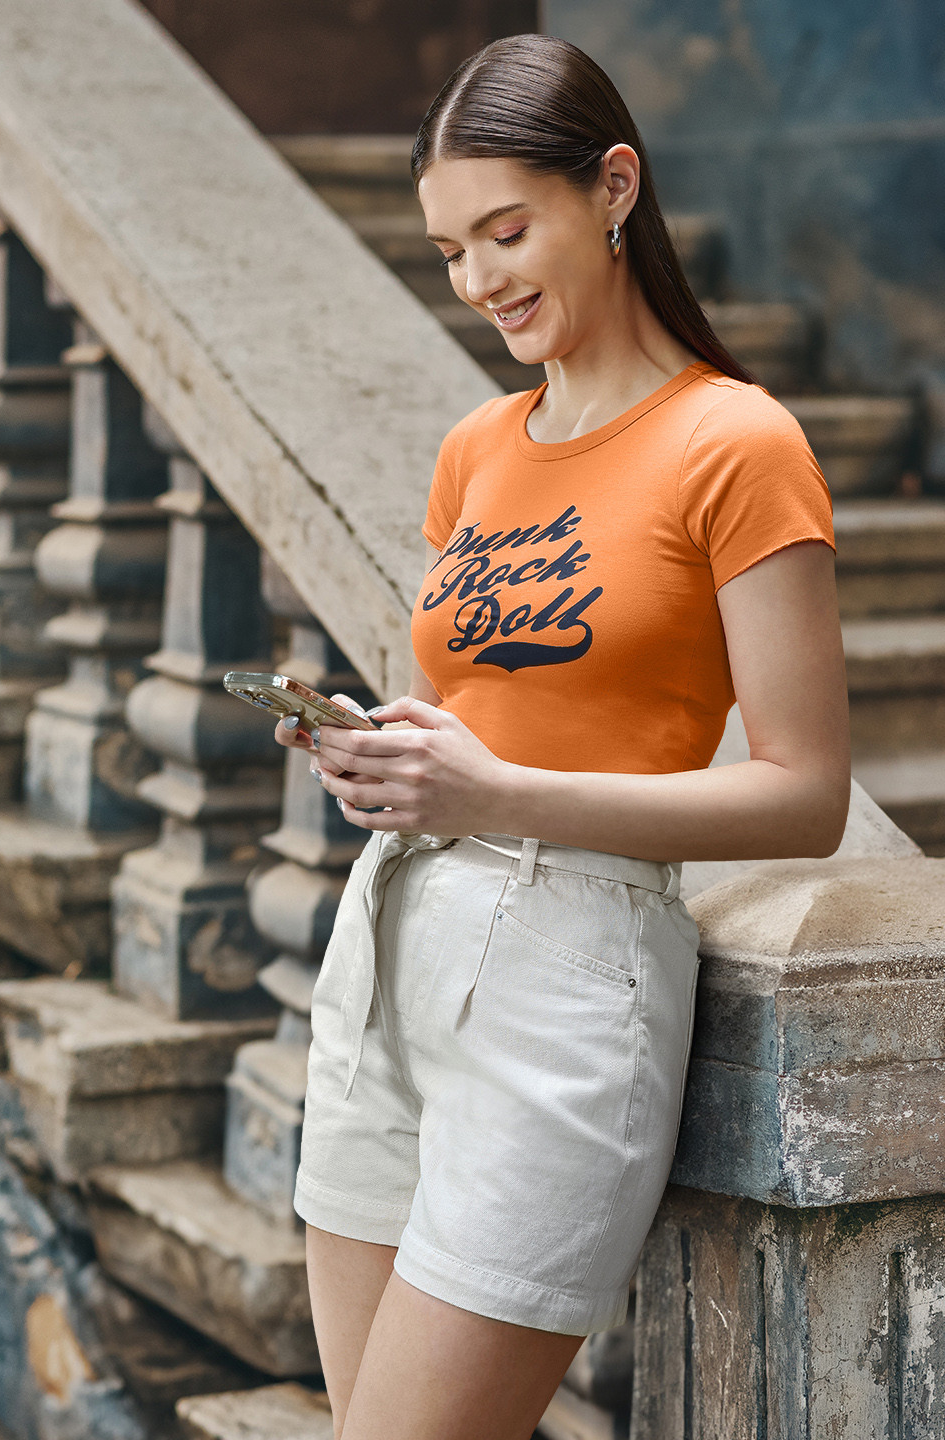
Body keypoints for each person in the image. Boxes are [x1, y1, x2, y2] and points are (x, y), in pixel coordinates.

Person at [274, 32, 850, 1440]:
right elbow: (488, 711)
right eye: (451, 251)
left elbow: (807, 797)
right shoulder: (479, 448)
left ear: (614, 187)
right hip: (389, 954)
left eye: (506, 231)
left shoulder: (738, 442)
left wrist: (498, 785)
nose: (479, 283)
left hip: (568, 975)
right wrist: (393, 756)